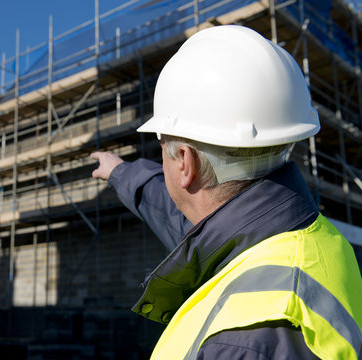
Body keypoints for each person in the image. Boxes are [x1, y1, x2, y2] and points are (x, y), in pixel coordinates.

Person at [91, 25, 362, 359]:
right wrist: (120, 172)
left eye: (161, 145)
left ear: (184, 162)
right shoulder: (309, 237)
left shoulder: (242, 342)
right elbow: (182, 219)